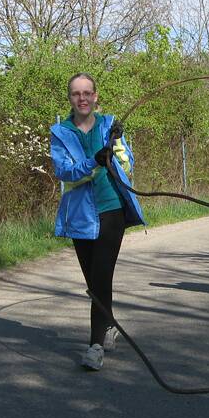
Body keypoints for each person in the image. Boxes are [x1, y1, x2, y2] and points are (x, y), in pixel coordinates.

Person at [50, 73, 145, 371]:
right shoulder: (60, 133)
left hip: (112, 209)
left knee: (101, 278)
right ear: (70, 98)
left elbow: (127, 164)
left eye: (87, 92)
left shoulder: (109, 125)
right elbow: (64, 171)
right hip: (80, 216)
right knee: (94, 282)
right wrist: (93, 160)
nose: (82, 98)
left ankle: (95, 347)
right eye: (76, 93)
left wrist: (117, 147)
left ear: (95, 96)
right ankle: (109, 326)